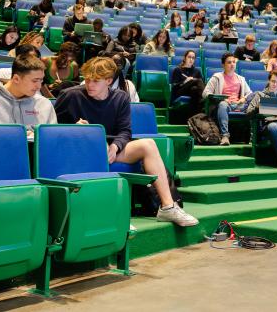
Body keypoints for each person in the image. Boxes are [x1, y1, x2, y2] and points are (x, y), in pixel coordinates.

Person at [56, 57, 198, 227]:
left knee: (149, 144)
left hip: (112, 150)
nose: (89, 84)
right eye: (87, 79)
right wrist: (75, 128)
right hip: (83, 150)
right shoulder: (70, 96)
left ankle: (167, 207)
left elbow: (125, 131)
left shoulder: (121, 97)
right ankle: (109, 215)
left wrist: (115, 146)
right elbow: (53, 130)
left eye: (95, 81)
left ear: (108, 80)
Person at [202, 53, 251, 145]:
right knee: (223, 105)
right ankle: (225, 136)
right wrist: (221, 99)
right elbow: (205, 93)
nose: (232, 64)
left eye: (233, 62)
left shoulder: (241, 79)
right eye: (229, 62)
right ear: (223, 65)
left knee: (254, 105)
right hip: (224, 105)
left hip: (238, 104)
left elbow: (250, 93)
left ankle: (252, 137)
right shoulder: (217, 77)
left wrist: (243, 99)